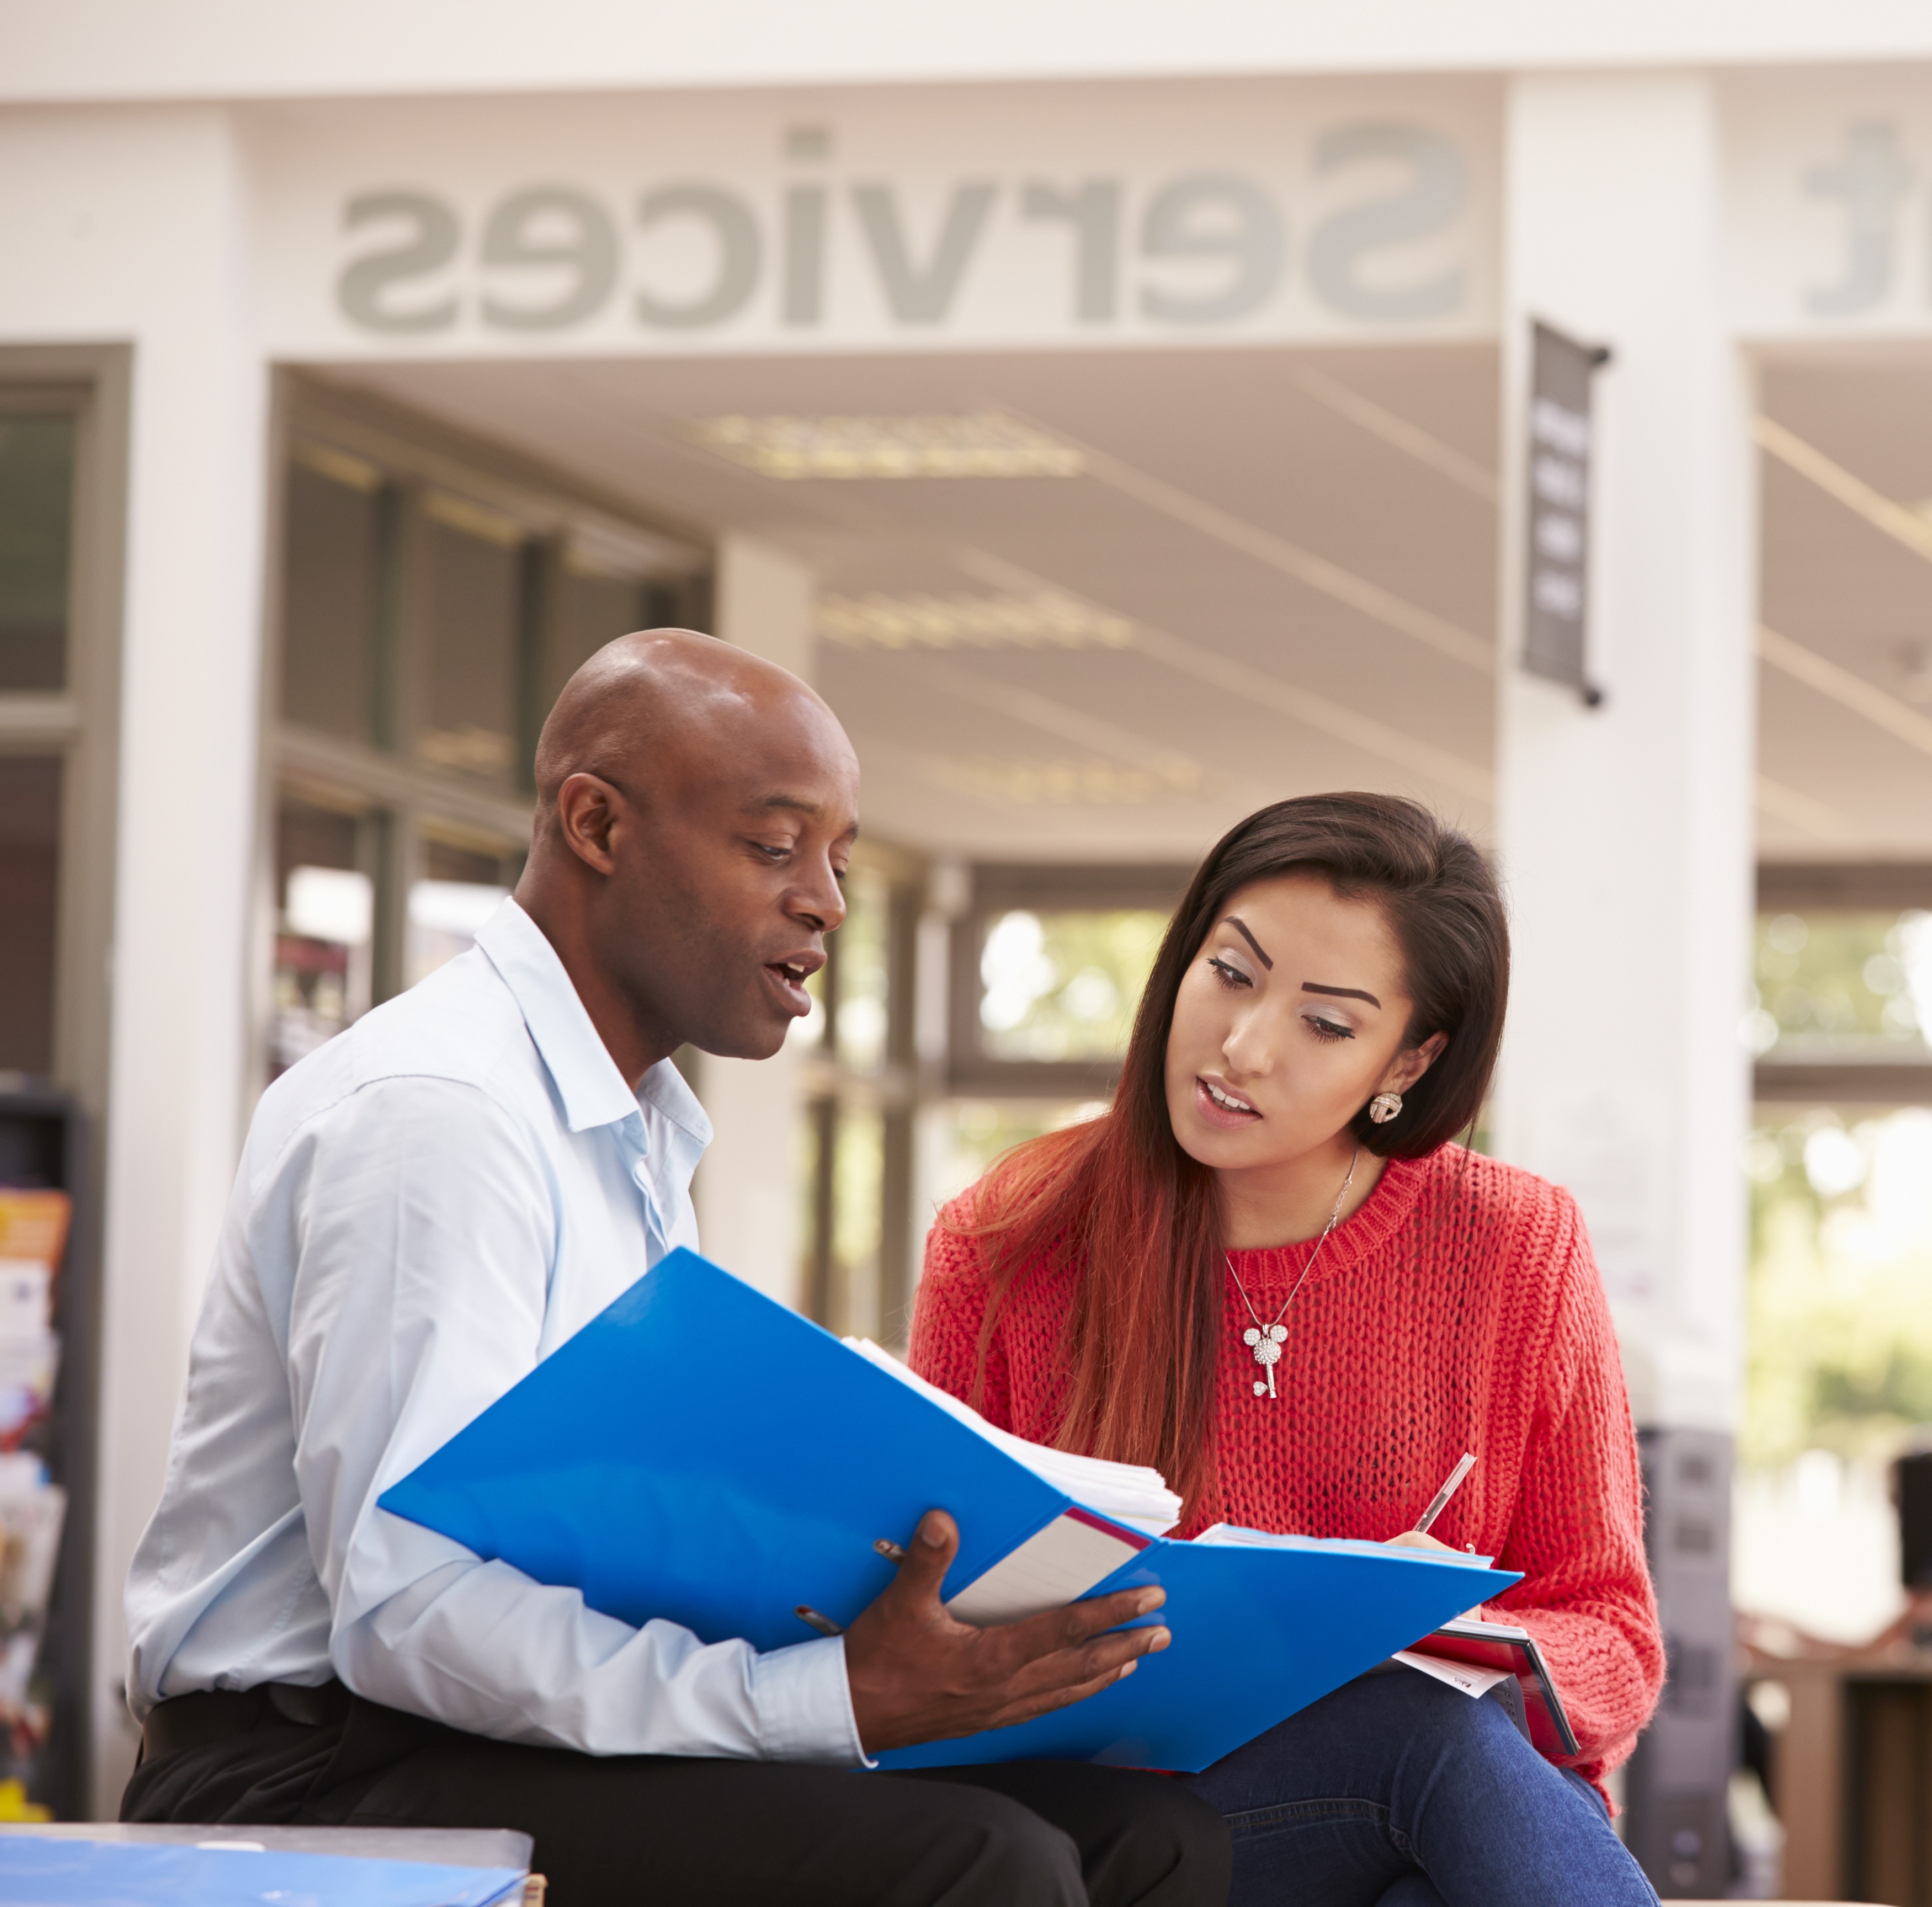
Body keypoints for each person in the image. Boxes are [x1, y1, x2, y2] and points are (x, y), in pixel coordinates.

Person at [122, 631, 1228, 1907]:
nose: (824, 899)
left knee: (1156, 1837)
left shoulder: (629, 1130)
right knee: (983, 1861)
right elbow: (405, 1607)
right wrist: (821, 1694)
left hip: (482, 1736)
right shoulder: (441, 1114)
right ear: (594, 822)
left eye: (838, 858)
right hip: (309, 1772)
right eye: (774, 846)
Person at [912, 793, 1665, 1907]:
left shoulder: (1514, 1243)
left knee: (1425, 1777)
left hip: (1423, 1818)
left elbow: (1610, 1628)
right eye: (1230, 973)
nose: (1244, 1047)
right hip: (1120, 1823)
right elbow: (924, 1609)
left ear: (1409, 1059)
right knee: (1421, 1738)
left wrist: (1457, 1641)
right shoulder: (1011, 1237)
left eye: (1326, 1024)